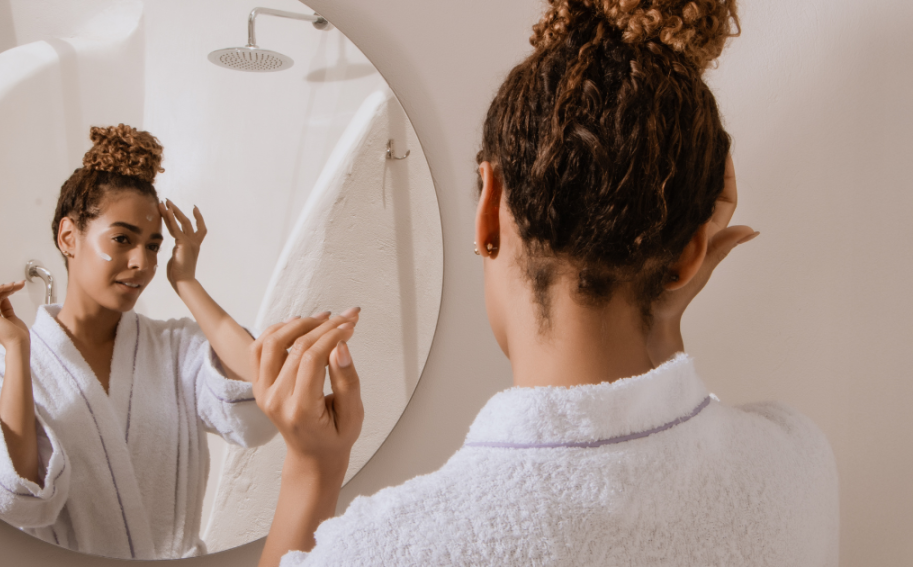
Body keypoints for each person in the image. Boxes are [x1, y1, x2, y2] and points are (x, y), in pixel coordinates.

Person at [250, 0, 839, 565]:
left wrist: (311, 470)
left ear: (490, 207)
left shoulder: (386, 551)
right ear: (688, 256)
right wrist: (660, 320)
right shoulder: (795, 465)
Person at [0, 124, 279, 559]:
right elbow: (16, 495)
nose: (141, 262)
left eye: (153, 245)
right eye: (123, 239)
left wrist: (186, 282)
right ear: (69, 237)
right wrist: (17, 349)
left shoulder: (175, 348)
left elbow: (262, 406)